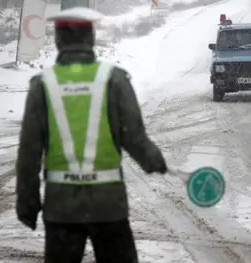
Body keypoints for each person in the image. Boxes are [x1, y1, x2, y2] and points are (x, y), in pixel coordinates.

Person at [15, 7, 167, 263]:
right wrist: (154, 161)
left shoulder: (42, 84)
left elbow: (29, 152)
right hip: (108, 205)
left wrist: (28, 204)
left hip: (61, 207)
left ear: (58, 40)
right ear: (91, 38)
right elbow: (134, 137)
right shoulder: (114, 80)